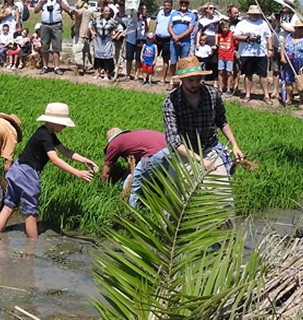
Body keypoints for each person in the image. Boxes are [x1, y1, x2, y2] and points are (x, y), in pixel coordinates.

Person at [0, 103, 97, 238]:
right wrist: (77, 172)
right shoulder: (45, 136)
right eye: (63, 124)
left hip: (16, 170)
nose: (65, 127)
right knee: (31, 213)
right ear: (54, 122)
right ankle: (32, 248)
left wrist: (84, 160)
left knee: (9, 206)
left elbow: (65, 151)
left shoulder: (47, 134)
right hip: (27, 174)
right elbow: (55, 159)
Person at [162, 55, 244, 209]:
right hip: (184, 154)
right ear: (181, 80)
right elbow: (173, 141)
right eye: (190, 80)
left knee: (223, 201)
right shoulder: (171, 102)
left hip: (210, 150)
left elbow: (222, 121)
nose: (194, 84)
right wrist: (200, 161)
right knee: (175, 206)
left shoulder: (212, 95)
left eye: (197, 79)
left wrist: (235, 145)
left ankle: (225, 229)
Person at [102, 128, 171, 208]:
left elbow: (105, 173)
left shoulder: (114, 143)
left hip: (154, 154)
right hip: (173, 150)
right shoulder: (131, 138)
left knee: (133, 182)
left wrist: (103, 188)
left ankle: (129, 210)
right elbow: (134, 168)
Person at [232, 4, 273, 103]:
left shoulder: (263, 23)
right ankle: (247, 94)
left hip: (261, 53)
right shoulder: (242, 24)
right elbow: (235, 36)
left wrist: (270, 49)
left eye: (257, 14)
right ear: (249, 14)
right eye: (254, 14)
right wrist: (248, 38)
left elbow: (269, 36)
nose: (256, 16)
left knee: (263, 74)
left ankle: (266, 95)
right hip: (246, 53)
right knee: (248, 74)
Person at [33, 0, 71, 74]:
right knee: (44, 46)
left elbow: (68, 10)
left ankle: (56, 67)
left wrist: (60, 2)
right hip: (45, 25)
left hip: (56, 25)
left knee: (56, 47)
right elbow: (35, 11)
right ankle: (45, 66)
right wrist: (41, 2)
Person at [167, 0, 198, 88]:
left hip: (185, 42)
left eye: (186, 3)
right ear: (179, 3)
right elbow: (169, 27)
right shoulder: (174, 14)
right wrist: (174, 36)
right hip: (173, 41)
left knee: (184, 62)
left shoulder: (191, 15)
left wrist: (179, 37)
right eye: (182, 2)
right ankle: (171, 80)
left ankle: (182, 82)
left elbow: (190, 29)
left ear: (188, 4)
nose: (183, 4)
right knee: (173, 62)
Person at [280, 16, 303, 107]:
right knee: (288, 80)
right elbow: (283, 48)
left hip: (302, 64)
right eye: (298, 28)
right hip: (288, 62)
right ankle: (289, 98)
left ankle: (301, 101)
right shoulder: (289, 36)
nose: (300, 30)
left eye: (302, 28)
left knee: (301, 82)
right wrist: (282, 58)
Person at [91, 5, 123, 81]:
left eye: (108, 11)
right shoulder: (97, 20)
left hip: (107, 41)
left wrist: (115, 36)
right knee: (98, 57)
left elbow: (120, 28)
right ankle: (98, 73)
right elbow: (91, 26)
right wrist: (92, 33)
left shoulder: (112, 21)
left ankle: (106, 75)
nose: (107, 12)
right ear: (102, 12)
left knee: (107, 58)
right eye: (105, 11)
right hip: (98, 41)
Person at [124, 4, 149, 81]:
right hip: (131, 39)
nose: (143, 11)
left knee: (138, 58)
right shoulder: (132, 17)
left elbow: (147, 30)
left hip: (140, 39)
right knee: (129, 58)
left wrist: (144, 21)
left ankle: (136, 75)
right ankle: (128, 74)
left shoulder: (147, 19)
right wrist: (137, 19)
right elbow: (130, 26)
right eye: (141, 9)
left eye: (144, 9)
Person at [71, 0, 93, 75]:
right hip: (86, 34)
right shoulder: (89, 11)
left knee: (77, 50)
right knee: (85, 52)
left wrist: (73, 11)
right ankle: (84, 66)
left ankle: (79, 66)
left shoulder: (83, 10)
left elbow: (78, 13)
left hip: (80, 33)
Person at [216, 19, 236, 95]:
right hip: (221, 56)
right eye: (223, 27)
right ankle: (220, 88)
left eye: (226, 27)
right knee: (220, 71)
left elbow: (235, 43)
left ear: (229, 27)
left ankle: (228, 88)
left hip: (229, 56)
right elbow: (217, 43)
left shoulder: (232, 35)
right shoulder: (219, 35)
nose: (225, 29)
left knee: (229, 73)